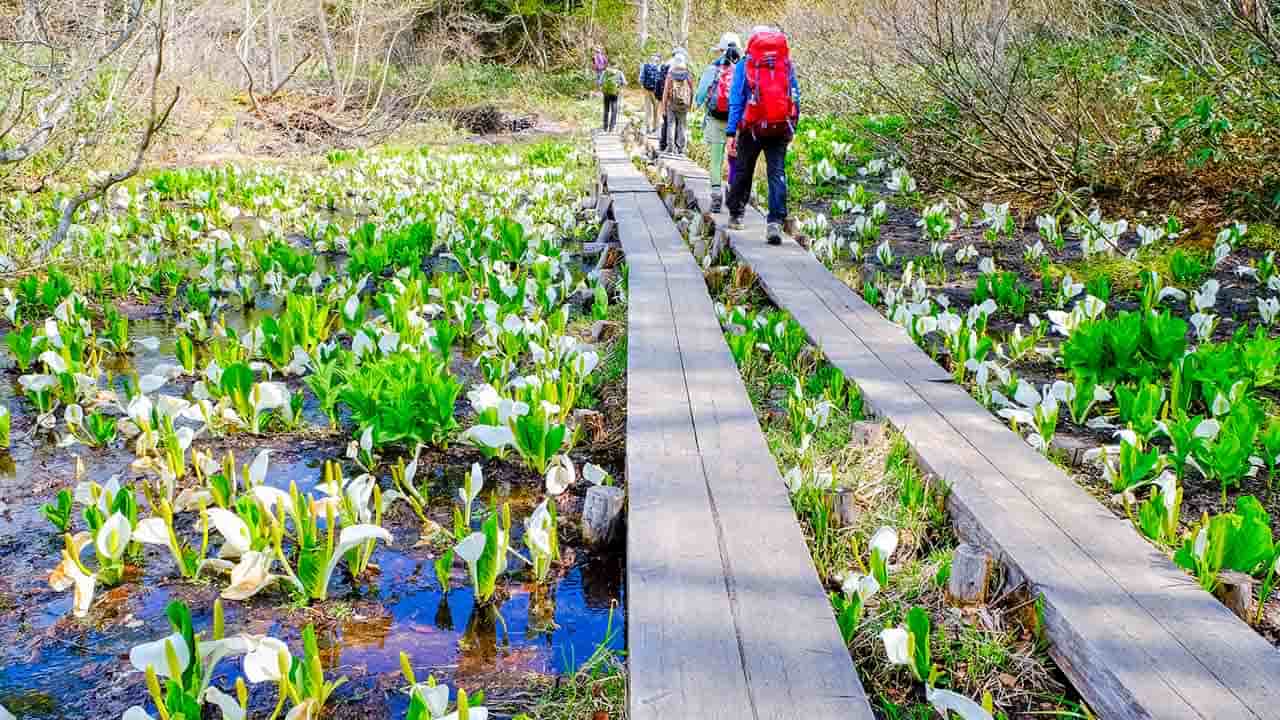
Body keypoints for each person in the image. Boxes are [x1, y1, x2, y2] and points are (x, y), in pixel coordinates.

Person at [726, 26, 800, 245]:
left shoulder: (745, 64)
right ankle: (775, 221)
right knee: (776, 172)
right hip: (779, 126)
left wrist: (732, 131)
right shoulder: (785, 64)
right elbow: (794, 94)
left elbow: (736, 99)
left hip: (751, 127)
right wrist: (792, 126)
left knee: (743, 168)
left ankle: (736, 214)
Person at [695, 32, 741, 213]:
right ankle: (731, 193)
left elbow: (700, 95)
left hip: (715, 118)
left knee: (715, 160)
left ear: (721, 50)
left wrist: (699, 105)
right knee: (734, 160)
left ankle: (715, 196)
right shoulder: (743, 69)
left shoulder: (712, 69)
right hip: (736, 122)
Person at [661, 56, 695, 155]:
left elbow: (666, 91)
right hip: (684, 104)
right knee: (682, 126)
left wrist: (663, 106)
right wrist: (690, 104)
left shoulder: (670, 75)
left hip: (672, 103)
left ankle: (670, 147)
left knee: (671, 125)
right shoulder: (688, 75)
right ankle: (682, 149)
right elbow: (692, 90)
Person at [639, 53, 662, 134]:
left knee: (648, 109)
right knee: (657, 109)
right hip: (656, 90)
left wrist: (643, 88)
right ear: (657, 60)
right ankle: (655, 127)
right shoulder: (659, 67)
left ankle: (648, 127)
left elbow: (641, 78)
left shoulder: (644, 66)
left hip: (647, 89)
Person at [600, 64, 626, 133]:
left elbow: (600, 82)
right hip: (615, 94)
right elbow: (624, 83)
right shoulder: (619, 72)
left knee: (606, 110)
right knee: (614, 110)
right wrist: (619, 84)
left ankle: (605, 127)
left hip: (606, 93)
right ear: (616, 66)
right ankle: (611, 127)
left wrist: (603, 88)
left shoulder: (604, 72)